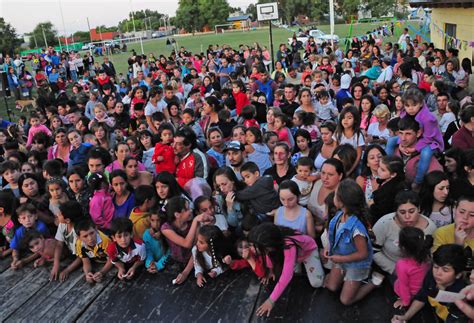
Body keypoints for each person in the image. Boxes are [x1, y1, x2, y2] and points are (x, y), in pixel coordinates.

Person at [249, 223, 324, 317]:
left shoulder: (289, 245)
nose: (252, 249)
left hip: (308, 252)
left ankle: (320, 254)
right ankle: (298, 264)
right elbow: (268, 255)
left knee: (317, 283)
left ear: (269, 245)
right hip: (294, 257)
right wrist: (270, 271)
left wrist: (271, 300)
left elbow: (287, 275)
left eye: (254, 246)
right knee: (294, 274)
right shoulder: (271, 241)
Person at [324, 179, 377, 306]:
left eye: (335, 194)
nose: (333, 196)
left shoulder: (357, 229)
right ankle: (345, 279)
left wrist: (341, 259)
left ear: (342, 202)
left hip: (356, 264)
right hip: (341, 257)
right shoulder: (339, 215)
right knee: (331, 287)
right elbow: (335, 235)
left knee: (345, 300)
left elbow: (362, 254)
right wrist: (329, 246)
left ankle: (374, 282)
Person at [392, 244, 469, 322]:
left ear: (458, 275)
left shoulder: (462, 295)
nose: (438, 273)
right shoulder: (432, 275)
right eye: (436, 267)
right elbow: (422, 297)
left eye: (445, 270)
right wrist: (405, 317)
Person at [387, 88, 444, 188]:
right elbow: (403, 129)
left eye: (414, 105)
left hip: (430, 143)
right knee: (391, 140)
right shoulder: (404, 113)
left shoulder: (428, 118)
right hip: (412, 138)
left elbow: (428, 138)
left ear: (421, 103)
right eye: (407, 105)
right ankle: (387, 165)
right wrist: (401, 144)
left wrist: (415, 148)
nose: (411, 109)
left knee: (426, 154)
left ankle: (418, 180)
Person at [372, 190, 437, 276]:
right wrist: (395, 270)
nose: (407, 216)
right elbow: (373, 250)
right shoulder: (384, 223)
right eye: (402, 212)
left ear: (419, 209)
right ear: (396, 211)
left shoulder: (431, 228)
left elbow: (431, 257)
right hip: (391, 269)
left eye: (411, 211)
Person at [393, 227, 432, 309]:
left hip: (412, 293)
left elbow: (404, 286)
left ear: (403, 248)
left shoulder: (402, 265)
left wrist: (405, 302)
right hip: (424, 289)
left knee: (398, 283)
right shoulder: (427, 256)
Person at [50, 201, 83, 281]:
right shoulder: (63, 224)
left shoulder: (79, 232)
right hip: (72, 253)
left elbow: (82, 257)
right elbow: (59, 245)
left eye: (60, 214)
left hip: (83, 257)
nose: (57, 214)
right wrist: (56, 264)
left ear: (67, 220)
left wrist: (67, 270)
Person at [10, 203, 50, 270]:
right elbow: (15, 248)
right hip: (29, 251)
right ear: (20, 221)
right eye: (24, 218)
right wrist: (15, 259)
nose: (27, 220)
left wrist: (25, 261)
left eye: (30, 216)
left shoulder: (41, 228)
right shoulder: (19, 231)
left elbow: (41, 249)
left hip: (44, 250)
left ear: (36, 216)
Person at [369, 156, 406, 224]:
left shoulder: (393, 190)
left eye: (383, 170)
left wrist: (371, 205)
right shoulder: (385, 180)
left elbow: (383, 210)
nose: (379, 170)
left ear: (393, 174)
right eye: (379, 166)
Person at [308, 158, 345, 227]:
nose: (325, 177)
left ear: (340, 176)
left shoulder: (342, 196)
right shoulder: (317, 183)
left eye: (330, 174)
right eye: (323, 173)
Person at [74, 218, 113, 284]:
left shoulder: (105, 240)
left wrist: (102, 272)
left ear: (96, 230)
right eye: (85, 236)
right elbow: (85, 262)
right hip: (97, 261)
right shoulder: (79, 244)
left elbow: (112, 260)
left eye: (92, 233)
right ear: (79, 237)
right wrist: (87, 274)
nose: (90, 238)